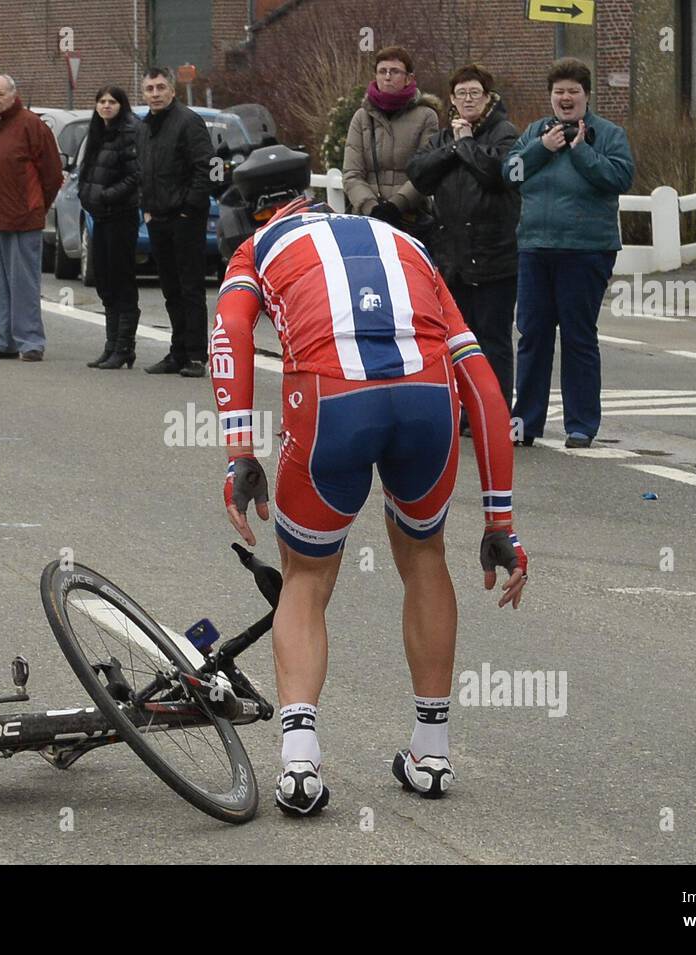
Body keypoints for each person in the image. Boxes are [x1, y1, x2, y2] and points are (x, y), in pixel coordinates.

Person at [214, 197, 528, 816]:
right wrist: (500, 521)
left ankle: (301, 764)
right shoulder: (402, 241)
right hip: (427, 398)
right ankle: (432, 754)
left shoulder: (258, 247)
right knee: (424, 558)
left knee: (306, 577)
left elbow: (229, 334)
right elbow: (484, 385)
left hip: (331, 399)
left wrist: (238, 452)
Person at [502, 58, 633, 448]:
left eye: (573, 91)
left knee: (578, 337)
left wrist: (581, 152)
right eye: (559, 91)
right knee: (532, 335)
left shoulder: (608, 135)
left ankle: (580, 424)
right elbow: (509, 175)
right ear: (551, 96)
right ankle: (525, 421)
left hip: (586, 250)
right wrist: (541, 149)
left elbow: (620, 178)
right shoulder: (535, 133)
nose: (565, 98)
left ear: (586, 95)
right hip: (535, 247)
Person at [407, 64, 520, 433]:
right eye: (461, 94)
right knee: (458, 339)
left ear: (488, 97)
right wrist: (456, 145)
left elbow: (495, 173)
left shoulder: (505, 134)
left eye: (475, 93)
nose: (468, 100)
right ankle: (464, 410)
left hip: (495, 256)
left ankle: (495, 411)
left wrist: (466, 143)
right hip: (452, 258)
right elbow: (419, 173)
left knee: (493, 339)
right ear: (452, 100)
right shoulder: (444, 138)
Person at [0, 74, 62, 362]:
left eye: (1, 95)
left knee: (24, 284)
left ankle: (30, 340)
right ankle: (3, 339)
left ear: (13, 95)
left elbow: (52, 174)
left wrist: (36, 205)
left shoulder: (32, 125)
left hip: (22, 219)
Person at [137, 66, 214, 377]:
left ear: (172, 90)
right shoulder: (144, 128)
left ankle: (196, 355)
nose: (155, 94)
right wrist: (146, 209)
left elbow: (212, 167)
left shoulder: (189, 122)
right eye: (149, 89)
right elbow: (143, 171)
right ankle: (177, 352)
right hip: (157, 219)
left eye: (160, 88)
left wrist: (190, 209)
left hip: (186, 220)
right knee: (170, 289)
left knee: (190, 288)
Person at [343, 46, 439, 233]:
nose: (387, 77)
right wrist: (371, 207)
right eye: (382, 71)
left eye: (394, 71)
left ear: (408, 78)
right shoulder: (361, 117)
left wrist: (396, 205)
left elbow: (427, 172)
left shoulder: (427, 117)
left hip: (411, 218)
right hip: (367, 219)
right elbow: (351, 173)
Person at [78, 84, 141, 369]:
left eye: (112, 102)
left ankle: (125, 346)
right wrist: (85, 193)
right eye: (101, 101)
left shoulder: (130, 132)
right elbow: (88, 169)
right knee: (104, 280)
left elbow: (135, 176)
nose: (106, 106)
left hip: (121, 216)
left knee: (121, 280)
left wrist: (106, 195)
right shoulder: (97, 132)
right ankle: (110, 345)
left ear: (121, 105)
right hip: (99, 217)